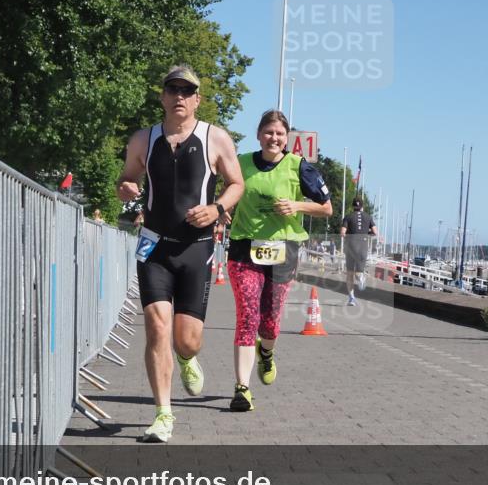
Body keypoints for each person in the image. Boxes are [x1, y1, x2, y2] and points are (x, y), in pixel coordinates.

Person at [116, 65, 244, 442]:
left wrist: (217, 209)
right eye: (172, 90)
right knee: (156, 328)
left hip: (197, 248)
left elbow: (237, 183)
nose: (179, 97)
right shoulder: (144, 139)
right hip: (154, 246)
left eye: (187, 91)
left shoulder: (214, 138)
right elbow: (127, 177)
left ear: (197, 100)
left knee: (186, 339)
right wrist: (125, 187)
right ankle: (163, 414)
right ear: (162, 96)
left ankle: (187, 358)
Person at [225, 110, 332, 411]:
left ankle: (267, 353)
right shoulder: (241, 163)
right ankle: (242, 389)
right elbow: (226, 193)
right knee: (247, 316)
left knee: (270, 323)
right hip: (244, 248)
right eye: (269, 132)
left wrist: (297, 205)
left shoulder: (299, 167)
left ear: (288, 140)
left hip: (284, 251)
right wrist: (222, 209)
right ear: (258, 135)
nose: (274, 138)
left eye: (280, 134)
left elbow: (327, 208)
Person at [340, 198, 377, 306]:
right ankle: (360, 277)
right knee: (359, 272)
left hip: (351, 246)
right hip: (363, 246)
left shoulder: (348, 217)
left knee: (349, 274)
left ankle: (351, 298)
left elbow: (342, 233)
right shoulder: (368, 217)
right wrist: (366, 232)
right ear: (362, 206)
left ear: (353, 206)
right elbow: (375, 232)